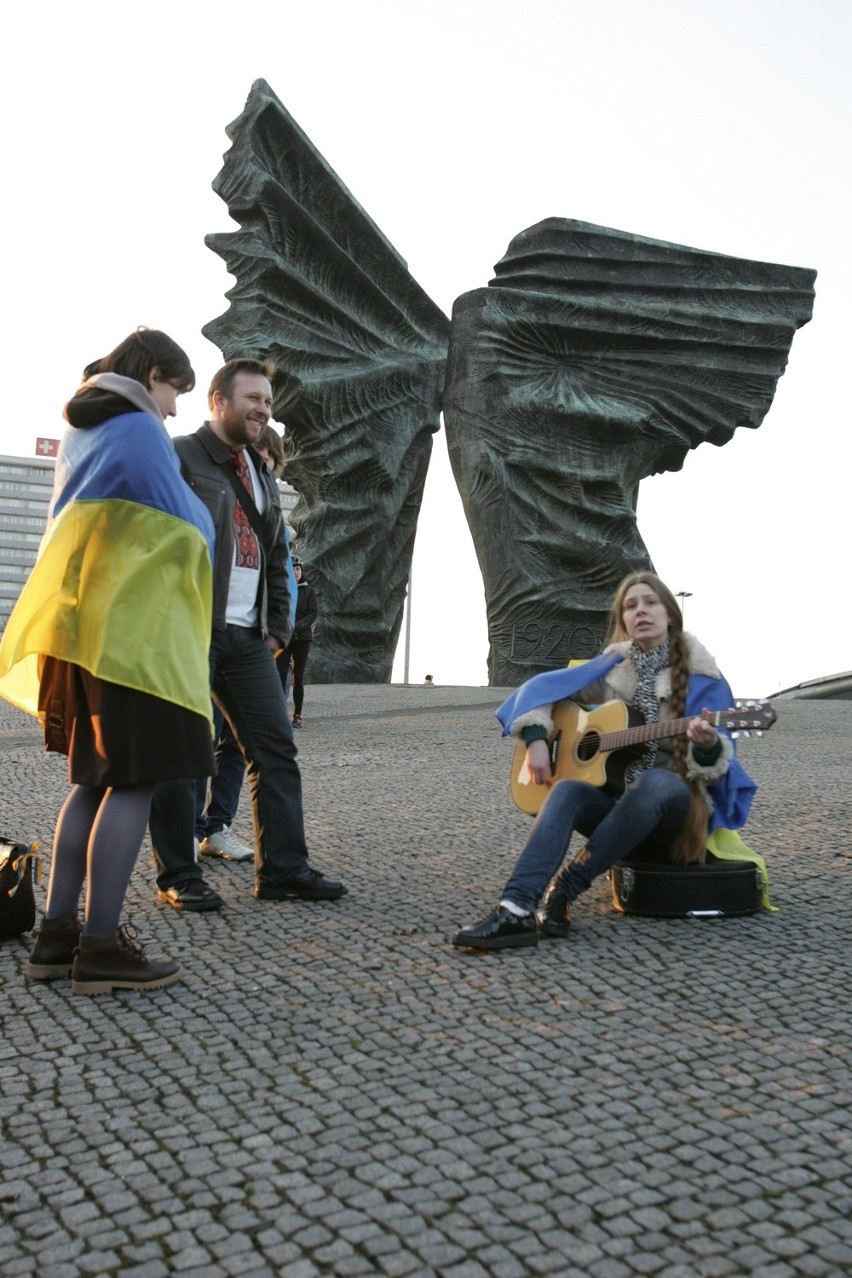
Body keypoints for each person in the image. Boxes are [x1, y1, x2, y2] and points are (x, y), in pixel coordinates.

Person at [0, 328, 215, 991]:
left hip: (84, 636)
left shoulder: (82, 426)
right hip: (135, 641)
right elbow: (188, 526)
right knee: (136, 783)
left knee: (91, 783)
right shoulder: (138, 428)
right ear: (152, 373)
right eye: (175, 390)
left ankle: (56, 937)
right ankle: (101, 948)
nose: (175, 409)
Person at [453, 572, 757, 950]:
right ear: (623, 620)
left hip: (675, 824)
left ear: (670, 614)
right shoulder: (611, 669)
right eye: (631, 606)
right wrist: (535, 739)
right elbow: (540, 689)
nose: (640, 611)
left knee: (656, 783)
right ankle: (515, 908)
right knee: (566, 790)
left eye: (650, 602)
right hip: (618, 817)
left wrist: (709, 743)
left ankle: (565, 888)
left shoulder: (703, 677)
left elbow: (719, 765)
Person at [149, 358, 346, 907]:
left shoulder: (259, 470)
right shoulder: (180, 456)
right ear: (218, 400)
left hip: (249, 637)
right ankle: (180, 877)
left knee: (275, 749)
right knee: (183, 755)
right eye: (253, 398)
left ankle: (283, 869)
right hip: (189, 631)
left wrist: (278, 630)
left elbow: (278, 551)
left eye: (268, 401)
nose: (263, 409)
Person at [194, 423, 295, 864]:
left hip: (256, 641)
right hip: (208, 633)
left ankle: (219, 827)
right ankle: (184, 846)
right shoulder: (210, 486)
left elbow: (281, 574)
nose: (262, 465)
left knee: (252, 745)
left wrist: (278, 632)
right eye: (257, 456)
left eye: (269, 461)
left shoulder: (271, 509)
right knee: (197, 739)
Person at [278, 556, 318, 727]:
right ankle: (278, 715)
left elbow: (312, 613)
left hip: (302, 638)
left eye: (297, 569)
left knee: (298, 677)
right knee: (279, 676)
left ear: (302, 571)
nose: (295, 572)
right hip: (285, 637)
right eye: (292, 569)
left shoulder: (309, 592)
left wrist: (297, 626)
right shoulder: (282, 589)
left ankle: (297, 715)